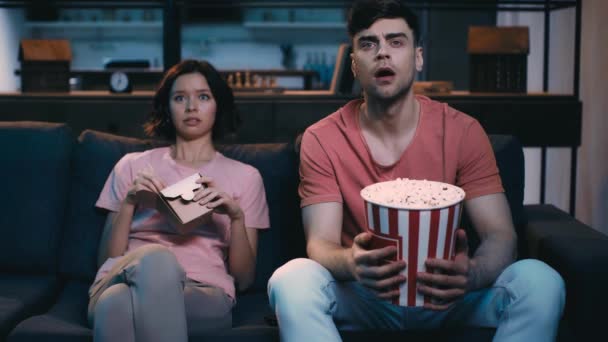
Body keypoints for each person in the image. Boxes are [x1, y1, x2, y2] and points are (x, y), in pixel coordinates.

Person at [267, 1, 565, 341]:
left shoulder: (463, 131)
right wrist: (351, 263)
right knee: (291, 279)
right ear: (354, 64)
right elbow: (320, 243)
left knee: (541, 281)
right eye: (368, 43)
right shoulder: (321, 138)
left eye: (396, 42)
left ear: (418, 57)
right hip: (365, 297)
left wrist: (473, 273)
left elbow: (501, 235)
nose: (382, 53)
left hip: (449, 296)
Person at [89, 59, 270, 342]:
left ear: (218, 105)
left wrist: (236, 216)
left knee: (115, 304)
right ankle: (154, 263)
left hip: (203, 293)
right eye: (180, 98)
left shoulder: (246, 177)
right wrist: (129, 202)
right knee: (154, 261)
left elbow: (244, 280)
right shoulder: (132, 165)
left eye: (203, 97)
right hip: (125, 275)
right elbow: (107, 260)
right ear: (167, 108)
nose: (191, 107)